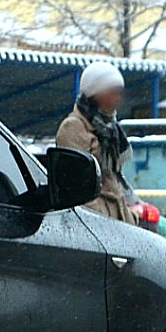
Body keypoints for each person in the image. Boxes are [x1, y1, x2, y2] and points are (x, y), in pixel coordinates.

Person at [56, 62, 139, 225]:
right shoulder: (73, 127)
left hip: (116, 220)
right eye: (112, 92)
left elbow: (113, 180)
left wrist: (129, 215)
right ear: (95, 93)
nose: (118, 98)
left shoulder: (111, 129)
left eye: (119, 92)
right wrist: (100, 219)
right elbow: (77, 186)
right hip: (98, 223)